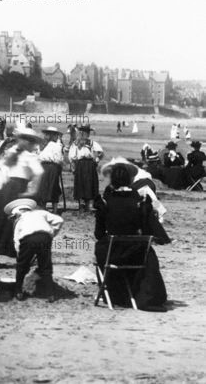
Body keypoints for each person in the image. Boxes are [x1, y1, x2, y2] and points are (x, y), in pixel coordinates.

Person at [94, 162, 168, 311]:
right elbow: (148, 230)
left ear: (112, 180)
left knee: (101, 250)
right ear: (130, 180)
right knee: (149, 254)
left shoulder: (105, 202)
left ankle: (115, 294)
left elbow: (99, 234)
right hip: (136, 252)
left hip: (113, 253)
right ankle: (143, 294)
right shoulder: (140, 202)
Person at [0, 129, 44, 268]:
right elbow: (39, 173)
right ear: (28, 142)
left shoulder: (12, 152)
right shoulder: (29, 157)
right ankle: (21, 257)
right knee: (20, 223)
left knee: (1, 222)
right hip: (18, 189)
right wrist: (33, 191)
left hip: (6, 189)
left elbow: (2, 169)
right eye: (31, 142)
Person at [6, 198, 63, 302]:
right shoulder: (41, 213)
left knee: (21, 267)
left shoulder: (19, 221)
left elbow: (17, 241)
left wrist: (22, 257)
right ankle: (50, 294)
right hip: (44, 237)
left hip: (27, 239)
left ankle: (18, 291)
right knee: (45, 265)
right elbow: (59, 220)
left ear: (17, 214)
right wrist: (51, 233)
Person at [68, 125, 103, 213]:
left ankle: (88, 205)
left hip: (90, 165)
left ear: (88, 134)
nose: (84, 134)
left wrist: (96, 160)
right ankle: (81, 205)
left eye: (86, 133)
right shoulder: (75, 143)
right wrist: (73, 166)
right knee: (80, 184)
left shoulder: (92, 143)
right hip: (79, 165)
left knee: (89, 184)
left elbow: (100, 153)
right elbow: (71, 156)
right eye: (82, 133)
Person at [37, 127, 65, 214]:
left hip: (46, 167)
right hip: (51, 167)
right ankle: (52, 209)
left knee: (46, 186)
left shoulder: (42, 145)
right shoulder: (56, 145)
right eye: (55, 135)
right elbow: (59, 159)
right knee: (51, 187)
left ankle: (45, 208)